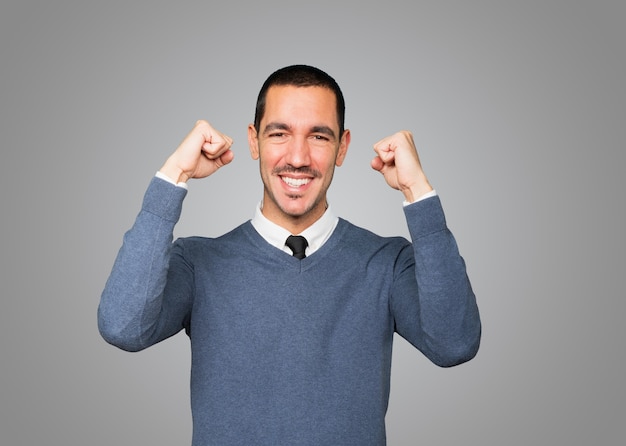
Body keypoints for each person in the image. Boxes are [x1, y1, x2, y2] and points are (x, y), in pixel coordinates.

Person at [98, 64, 481, 445]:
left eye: (319, 136)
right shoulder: (198, 263)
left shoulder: (388, 262)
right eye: (279, 133)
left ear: (342, 147)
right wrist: (173, 176)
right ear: (254, 141)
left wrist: (419, 193)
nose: (297, 157)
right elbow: (124, 328)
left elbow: (454, 344)